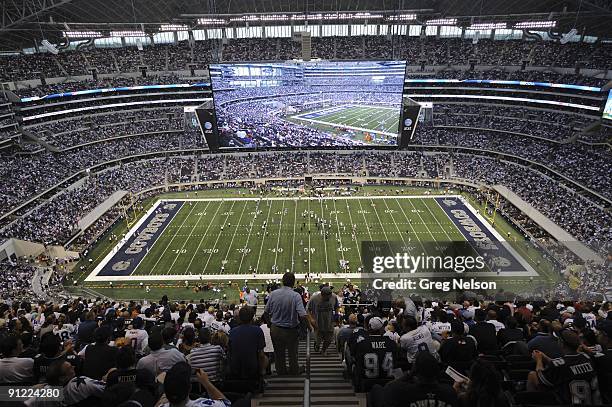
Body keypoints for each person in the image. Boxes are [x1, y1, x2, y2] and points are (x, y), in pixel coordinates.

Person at [527, 329, 601, 405]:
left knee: (532, 375)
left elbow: (541, 379)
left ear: (561, 343)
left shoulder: (559, 364)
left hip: (568, 402)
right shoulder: (588, 358)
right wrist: (545, 357)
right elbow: (566, 363)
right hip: (592, 401)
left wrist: (539, 360)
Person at [262, 272, 311, 375]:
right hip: (291, 329)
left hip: (276, 328)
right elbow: (302, 315)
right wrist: (309, 326)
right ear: (293, 283)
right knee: (293, 353)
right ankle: (294, 370)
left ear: (282, 281)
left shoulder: (273, 294)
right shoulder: (295, 295)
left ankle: (281, 371)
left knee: (279, 353)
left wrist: (270, 324)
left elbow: (266, 312)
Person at [371, 351, 458, 407]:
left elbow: (388, 388)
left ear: (415, 371)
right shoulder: (450, 392)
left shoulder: (401, 390)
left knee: (376, 388)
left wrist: (409, 374)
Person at [159, 362, 230, 407]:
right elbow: (226, 403)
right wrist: (206, 383)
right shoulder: (203, 404)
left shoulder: (161, 405)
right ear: (190, 388)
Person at [353, 317, 397, 385]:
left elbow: (357, 361)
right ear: (381, 328)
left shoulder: (362, 343)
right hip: (388, 381)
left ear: (368, 328)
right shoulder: (391, 342)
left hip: (367, 381)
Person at [228, 306, 267, 380]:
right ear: (252, 317)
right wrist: (262, 370)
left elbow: (230, 351)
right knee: (265, 358)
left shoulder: (233, 331)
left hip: (236, 367)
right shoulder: (257, 330)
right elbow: (261, 354)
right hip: (252, 367)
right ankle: (261, 376)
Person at [306, 285, 338, 355]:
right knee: (318, 340)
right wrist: (311, 319)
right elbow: (307, 309)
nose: (328, 298)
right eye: (326, 297)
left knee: (329, 339)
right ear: (322, 295)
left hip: (329, 322)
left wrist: (336, 316)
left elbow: (336, 307)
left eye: (329, 297)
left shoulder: (334, 297)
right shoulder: (314, 298)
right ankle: (317, 344)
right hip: (318, 323)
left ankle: (323, 350)